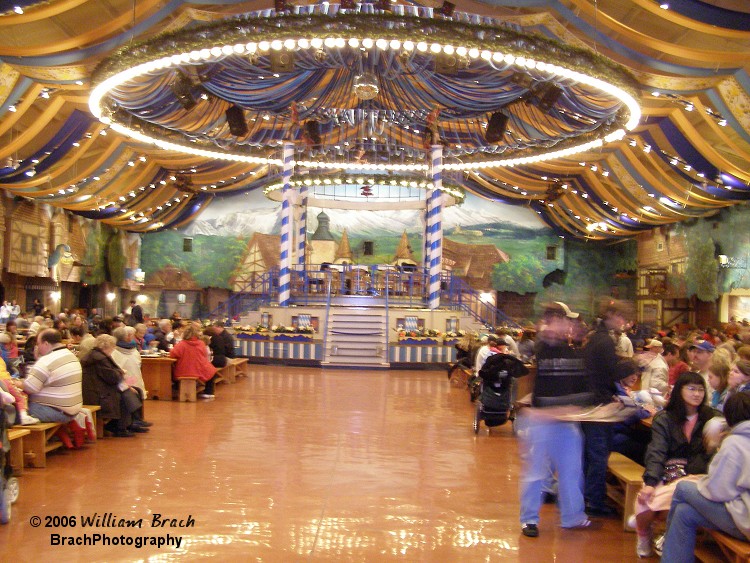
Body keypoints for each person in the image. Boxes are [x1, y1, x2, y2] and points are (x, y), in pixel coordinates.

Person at [518, 302, 592, 538]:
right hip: (542, 422)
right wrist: (555, 410)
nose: (569, 326)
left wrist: (576, 405)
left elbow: (581, 386)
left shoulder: (570, 351)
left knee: (572, 472)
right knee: (536, 473)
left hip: (565, 423)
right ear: (551, 322)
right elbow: (544, 346)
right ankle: (529, 519)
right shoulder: (545, 346)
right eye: (565, 321)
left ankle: (572, 516)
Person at [632, 372, 716, 558]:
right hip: (667, 470)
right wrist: (651, 481)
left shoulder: (711, 418)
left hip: (697, 473)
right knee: (645, 499)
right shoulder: (665, 418)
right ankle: (644, 533)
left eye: (701, 390)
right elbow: (657, 451)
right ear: (680, 391)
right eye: (691, 389)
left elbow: (711, 452)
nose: (697, 394)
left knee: (675, 500)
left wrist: (692, 470)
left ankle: (666, 534)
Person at [661, 392, 750, 562]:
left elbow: (718, 492)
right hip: (744, 513)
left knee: (682, 488)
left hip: (745, 520)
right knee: (684, 512)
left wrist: (702, 481)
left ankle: (664, 541)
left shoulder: (734, 443)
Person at [582, 300, 626, 517]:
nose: (623, 322)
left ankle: (587, 496)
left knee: (590, 454)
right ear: (611, 316)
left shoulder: (593, 338)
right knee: (599, 454)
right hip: (600, 404)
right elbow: (612, 373)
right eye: (621, 317)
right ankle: (595, 502)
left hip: (591, 402)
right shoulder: (605, 342)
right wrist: (636, 364)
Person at [17, 329, 83, 447]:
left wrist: (16, 383)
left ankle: (27, 447)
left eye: (38, 344)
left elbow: (30, 387)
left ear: (46, 344)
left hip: (56, 411)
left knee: (16, 412)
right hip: (72, 409)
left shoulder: (46, 361)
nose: (36, 347)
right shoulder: (70, 355)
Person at [80, 334, 143, 438]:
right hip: (98, 393)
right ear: (106, 346)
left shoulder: (98, 355)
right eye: (113, 346)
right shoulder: (100, 358)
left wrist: (118, 373)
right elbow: (112, 377)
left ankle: (132, 422)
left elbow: (111, 374)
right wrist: (120, 372)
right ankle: (120, 427)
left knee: (135, 390)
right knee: (124, 395)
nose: (114, 349)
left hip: (99, 388)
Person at [170, 322, 217, 399]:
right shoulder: (201, 343)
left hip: (184, 370)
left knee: (171, 371)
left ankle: (176, 389)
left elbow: (173, 354)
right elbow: (204, 354)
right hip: (199, 368)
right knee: (212, 371)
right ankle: (209, 392)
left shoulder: (181, 344)